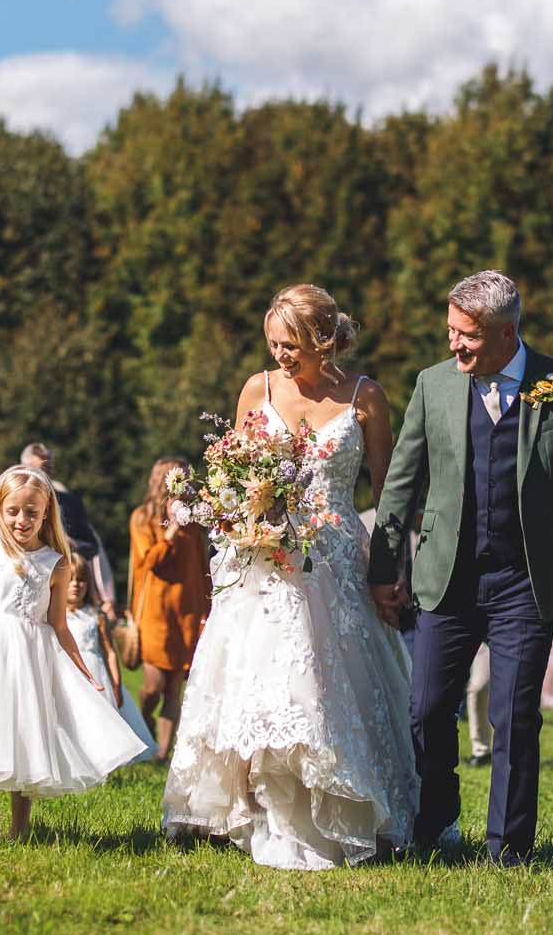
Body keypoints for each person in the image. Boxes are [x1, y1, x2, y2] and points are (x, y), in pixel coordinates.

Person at [162, 284, 418, 869]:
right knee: (261, 682)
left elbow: (389, 494)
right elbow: (231, 473)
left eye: (293, 345)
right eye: (275, 344)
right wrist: (239, 521)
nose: (281, 356)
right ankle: (260, 812)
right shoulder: (258, 389)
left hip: (335, 561)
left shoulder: (366, 397)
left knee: (334, 685)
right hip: (262, 560)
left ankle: (346, 807)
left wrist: (389, 573)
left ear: (323, 340)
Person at [369, 270, 553, 867]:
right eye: (451, 331)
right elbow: (401, 482)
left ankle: (509, 849)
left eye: (468, 336)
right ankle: (435, 824)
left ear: (506, 332)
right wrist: (383, 567)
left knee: (513, 718)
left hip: (525, 582)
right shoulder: (433, 385)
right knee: (426, 709)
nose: (454, 345)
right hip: (444, 579)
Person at [0, 466, 146, 844]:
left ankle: (20, 826)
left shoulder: (56, 563)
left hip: (28, 658)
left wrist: (84, 671)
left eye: (31, 512)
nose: (21, 520)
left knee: (24, 735)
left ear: (45, 514)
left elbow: (58, 624)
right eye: (13, 511)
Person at [129, 456, 210, 761]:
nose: (186, 485)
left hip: (187, 613)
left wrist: (208, 608)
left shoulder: (193, 525)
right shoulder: (142, 519)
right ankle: (142, 721)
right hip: (155, 612)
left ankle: (163, 754)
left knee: (174, 688)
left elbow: (202, 570)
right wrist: (170, 532)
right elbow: (149, 562)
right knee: (153, 685)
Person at [0, 444, 115, 619]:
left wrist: (71, 544)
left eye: (47, 469)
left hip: (62, 583)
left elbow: (92, 546)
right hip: (14, 580)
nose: (42, 475)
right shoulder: (4, 497)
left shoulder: (71, 503)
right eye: (36, 469)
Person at [65, 556, 159, 762]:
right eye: (70, 579)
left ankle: (102, 758)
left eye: (81, 580)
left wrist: (116, 683)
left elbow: (109, 651)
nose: (75, 584)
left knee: (97, 718)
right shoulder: (57, 616)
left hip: (96, 675)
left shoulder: (95, 615)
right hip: (69, 674)